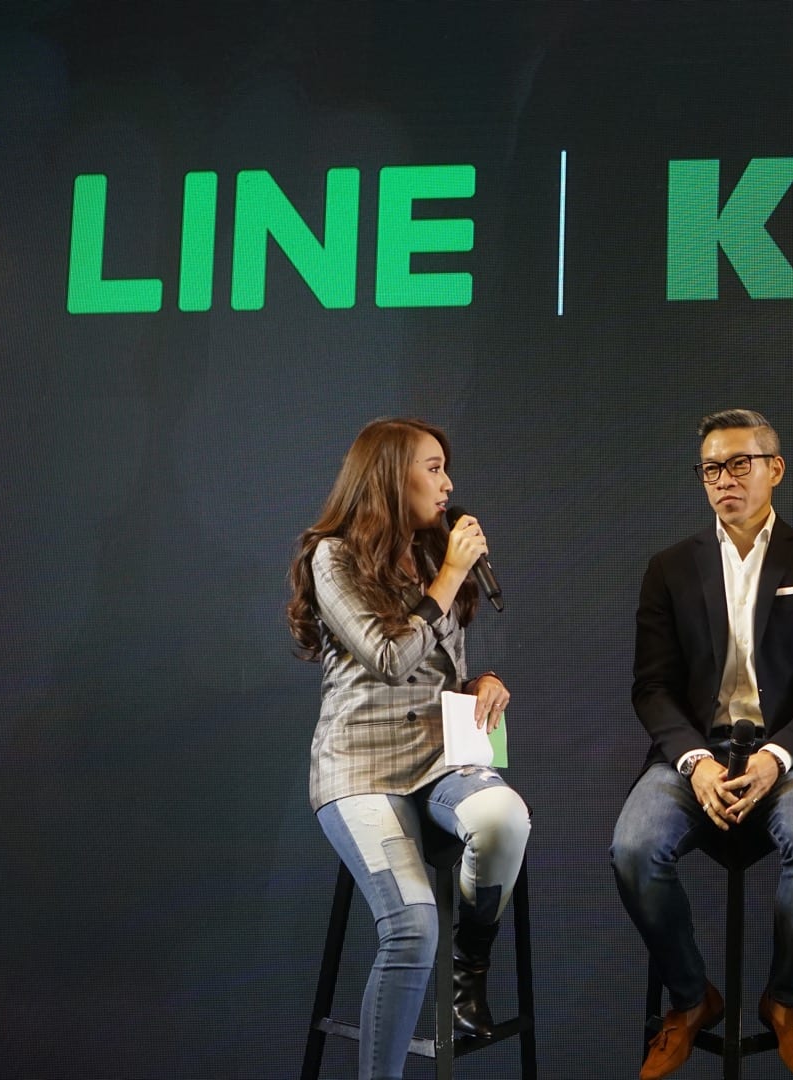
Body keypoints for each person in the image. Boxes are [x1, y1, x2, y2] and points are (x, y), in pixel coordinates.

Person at [611, 409, 793, 1080]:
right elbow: (651, 688)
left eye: (739, 464)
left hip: (791, 754)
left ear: (776, 469)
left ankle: (787, 999)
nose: (724, 479)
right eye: (711, 468)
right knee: (633, 848)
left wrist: (777, 757)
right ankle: (692, 997)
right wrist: (693, 762)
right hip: (694, 752)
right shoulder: (669, 568)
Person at [287, 418, 530, 1080]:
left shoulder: (430, 555)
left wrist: (479, 681)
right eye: (433, 467)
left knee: (504, 818)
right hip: (361, 770)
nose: (448, 483)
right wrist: (450, 575)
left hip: (441, 757)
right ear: (391, 477)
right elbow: (390, 658)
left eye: (446, 468)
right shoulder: (333, 557)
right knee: (414, 924)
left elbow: (435, 668)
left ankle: (469, 966)